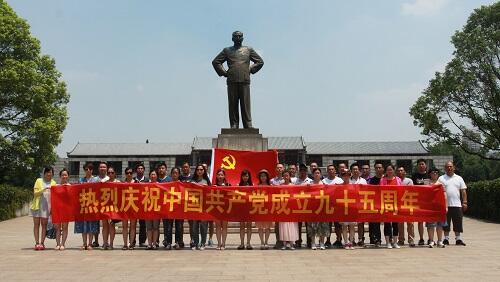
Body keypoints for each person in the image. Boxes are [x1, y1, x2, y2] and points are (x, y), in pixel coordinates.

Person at [212, 31, 264, 129]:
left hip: (244, 80)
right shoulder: (227, 50)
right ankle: (234, 124)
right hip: (232, 80)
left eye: (240, 36)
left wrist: (250, 69)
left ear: (243, 38)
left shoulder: (248, 50)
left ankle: (248, 124)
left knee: (245, 104)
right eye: (236, 36)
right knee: (233, 104)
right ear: (232, 38)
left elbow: (260, 61)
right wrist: (224, 72)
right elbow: (216, 62)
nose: (238, 38)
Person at [438, 161, 467, 246]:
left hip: (457, 204)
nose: (449, 168)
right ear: (445, 168)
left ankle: (458, 239)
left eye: (450, 166)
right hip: (445, 205)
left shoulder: (459, 178)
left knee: (458, 222)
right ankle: (446, 239)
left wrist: (464, 202)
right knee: (446, 223)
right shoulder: (441, 178)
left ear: (454, 167)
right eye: (447, 167)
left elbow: (463, 191)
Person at [74, 162, 99, 250]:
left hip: (92, 205)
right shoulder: (81, 180)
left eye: (89, 169)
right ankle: (84, 243)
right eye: (86, 169)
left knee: (91, 225)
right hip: (83, 206)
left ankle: (90, 244)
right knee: (83, 225)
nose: (87, 171)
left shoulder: (96, 180)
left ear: (92, 170)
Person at [31, 167, 56, 250]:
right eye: (47, 172)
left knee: (44, 225)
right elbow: (35, 193)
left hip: (46, 207)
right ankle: (37, 243)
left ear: (52, 174)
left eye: (51, 172)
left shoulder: (54, 183)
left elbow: (55, 197)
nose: (49, 174)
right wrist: (44, 189)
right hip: (37, 206)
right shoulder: (39, 181)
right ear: (44, 173)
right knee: (36, 225)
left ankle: (42, 243)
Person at [307, 168, 330, 250]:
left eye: (318, 173)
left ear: (320, 174)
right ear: (313, 175)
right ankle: (313, 243)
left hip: (322, 208)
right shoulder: (309, 184)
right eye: (315, 173)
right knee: (312, 226)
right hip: (312, 208)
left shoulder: (324, 184)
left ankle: (322, 243)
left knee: (322, 226)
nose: (317, 174)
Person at [380, 164, 401, 249]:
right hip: (386, 204)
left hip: (396, 204)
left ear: (393, 170)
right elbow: (380, 191)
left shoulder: (398, 179)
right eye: (388, 170)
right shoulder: (383, 180)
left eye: (391, 170)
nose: (389, 171)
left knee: (395, 224)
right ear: (386, 171)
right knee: (387, 224)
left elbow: (401, 191)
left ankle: (395, 242)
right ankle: (388, 242)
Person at [163, 167, 184, 250]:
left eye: (176, 173)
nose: (175, 174)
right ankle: (168, 242)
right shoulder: (167, 184)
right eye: (173, 173)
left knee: (179, 226)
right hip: (169, 208)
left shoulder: (182, 184)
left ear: (179, 174)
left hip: (179, 209)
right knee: (168, 227)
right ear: (171, 174)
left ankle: (178, 242)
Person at [190, 164, 211, 250]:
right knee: (194, 226)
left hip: (204, 207)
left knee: (203, 226)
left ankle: (203, 243)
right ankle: (195, 243)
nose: (199, 171)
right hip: (194, 206)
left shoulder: (207, 181)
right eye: (198, 169)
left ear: (204, 171)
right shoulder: (192, 181)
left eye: (201, 169)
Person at [322, 164, 343, 248]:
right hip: (327, 205)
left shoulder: (340, 180)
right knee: (328, 224)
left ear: (335, 171)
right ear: (327, 171)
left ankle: (339, 240)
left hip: (338, 206)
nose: (331, 171)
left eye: (332, 169)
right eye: (329, 169)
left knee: (338, 224)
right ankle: (328, 240)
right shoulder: (324, 181)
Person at [426, 167, 447, 248]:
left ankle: (440, 241)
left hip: (439, 207)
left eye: (436, 172)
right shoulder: (427, 183)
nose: (434, 174)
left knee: (440, 225)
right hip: (430, 207)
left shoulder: (441, 183)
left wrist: (446, 206)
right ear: (430, 174)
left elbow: (445, 195)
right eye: (432, 172)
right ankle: (431, 241)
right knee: (430, 225)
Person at [411, 159, 430, 246]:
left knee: (430, 221)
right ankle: (421, 238)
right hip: (418, 201)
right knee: (420, 221)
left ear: (425, 165)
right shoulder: (414, 176)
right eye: (419, 164)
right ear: (417, 166)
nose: (421, 166)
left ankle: (431, 238)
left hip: (428, 201)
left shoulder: (429, 175)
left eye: (422, 164)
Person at [294, 164, 313, 248]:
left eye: (304, 171)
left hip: (308, 206)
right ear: (299, 172)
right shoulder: (295, 181)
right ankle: (298, 240)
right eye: (301, 171)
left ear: (306, 172)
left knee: (308, 225)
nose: (302, 172)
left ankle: (309, 241)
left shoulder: (310, 181)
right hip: (298, 205)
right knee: (298, 225)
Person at [279, 170, 298, 250]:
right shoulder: (280, 186)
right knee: (283, 226)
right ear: (282, 176)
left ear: (290, 176)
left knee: (291, 226)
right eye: (284, 175)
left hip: (291, 209)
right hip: (283, 208)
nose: (286, 177)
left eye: (287, 175)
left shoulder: (293, 186)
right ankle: (284, 244)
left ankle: (291, 244)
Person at [102, 166, 121, 250]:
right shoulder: (104, 183)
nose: (110, 174)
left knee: (111, 225)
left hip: (115, 207)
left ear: (115, 173)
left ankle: (111, 244)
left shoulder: (119, 183)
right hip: (105, 206)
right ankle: (105, 243)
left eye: (112, 172)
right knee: (105, 225)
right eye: (109, 173)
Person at [349, 163, 367, 246]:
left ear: (359, 171)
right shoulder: (348, 180)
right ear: (351, 171)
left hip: (360, 204)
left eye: (357, 169)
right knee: (351, 223)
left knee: (360, 223)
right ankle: (351, 239)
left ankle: (360, 239)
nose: (355, 171)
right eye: (353, 169)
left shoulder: (363, 181)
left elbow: (367, 192)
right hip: (351, 205)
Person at [396, 166, 415, 246]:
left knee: (410, 223)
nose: (400, 172)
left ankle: (411, 240)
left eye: (402, 170)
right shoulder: (396, 180)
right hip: (398, 204)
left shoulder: (409, 181)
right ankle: (401, 240)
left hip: (408, 203)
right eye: (399, 171)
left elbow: (411, 191)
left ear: (405, 172)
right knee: (400, 223)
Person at [157, 162, 173, 249]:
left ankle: (168, 242)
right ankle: (156, 241)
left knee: (168, 225)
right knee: (157, 225)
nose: (161, 170)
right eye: (160, 168)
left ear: (166, 169)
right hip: (157, 206)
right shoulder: (156, 180)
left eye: (163, 168)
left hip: (167, 206)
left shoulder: (169, 180)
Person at [368, 161, 384, 247]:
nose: (378, 169)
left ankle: (390, 239)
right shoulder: (372, 180)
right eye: (376, 168)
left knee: (388, 222)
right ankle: (377, 239)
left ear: (383, 169)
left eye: (379, 167)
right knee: (375, 223)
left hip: (386, 203)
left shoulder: (385, 179)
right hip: (375, 204)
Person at [256, 169, 273, 250]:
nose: (263, 177)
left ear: (267, 177)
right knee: (260, 227)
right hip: (259, 208)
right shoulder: (257, 186)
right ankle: (262, 242)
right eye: (261, 176)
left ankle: (266, 242)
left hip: (268, 209)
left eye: (264, 176)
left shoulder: (271, 186)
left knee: (268, 227)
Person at [54, 168, 70, 250]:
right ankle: (57, 244)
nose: (64, 176)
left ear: (68, 176)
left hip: (66, 209)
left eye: (65, 175)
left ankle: (63, 244)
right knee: (57, 227)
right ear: (60, 176)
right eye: (62, 175)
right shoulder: (56, 186)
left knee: (65, 227)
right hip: (57, 209)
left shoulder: (70, 186)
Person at [133, 163, 148, 248]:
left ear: (144, 170)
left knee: (143, 224)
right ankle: (132, 241)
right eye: (138, 168)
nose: (140, 170)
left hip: (143, 205)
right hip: (134, 204)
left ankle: (142, 241)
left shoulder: (147, 180)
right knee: (133, 224)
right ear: (136, 170)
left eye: (142, 168)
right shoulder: (133, 180)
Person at [237, 169, 253, 250]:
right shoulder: (238, 185)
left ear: (249, 177)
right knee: (242, 226)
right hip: (241, 209)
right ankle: (242, 243)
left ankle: (249, 243)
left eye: (246, 176)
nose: (245, 177)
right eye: (243, 176)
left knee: (249, 226)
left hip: (250, 209)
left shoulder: (252, 186)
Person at [339, 168, 355, 250]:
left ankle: (351, 242)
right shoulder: (339, 186)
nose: (346, 176)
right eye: (344, 175)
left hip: (352, 209)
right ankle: (345, 242)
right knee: (344, 227)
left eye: (347, 174)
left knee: (352, 226)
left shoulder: (354, 186)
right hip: (343, 209)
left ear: (350, 175)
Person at [121, 167, 137, 250]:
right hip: (125, 207)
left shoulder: (136, 183)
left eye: (131, 173)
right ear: (125, 174)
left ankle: (131, 244)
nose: (129, 174)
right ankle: (125, 244)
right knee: (124, 226)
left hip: (134, 206)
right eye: (127, 173)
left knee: (133, 226)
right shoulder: (122, 183)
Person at [214, 169, 229, 250]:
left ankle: (223, 243)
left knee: (224, 226)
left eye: (222, 175)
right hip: (217, 208)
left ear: (224, 176)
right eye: (219, 175)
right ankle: (218, 243)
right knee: (218, 226)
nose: (220, 176)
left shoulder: (228, 185)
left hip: (226, 208)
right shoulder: (214, 185)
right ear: (216, 176)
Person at [270, 163, 285, 249]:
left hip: (286, 204)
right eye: (278, 168)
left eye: (281, 168)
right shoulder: (272, 181)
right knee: (277, 225)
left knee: (285, 224)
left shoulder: (287, 179)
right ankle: (278, 241)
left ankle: (286, 241)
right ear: (275, 170)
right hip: (276, 204)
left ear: (283, 169)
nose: (279, 169)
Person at [145, 169, 160, 250]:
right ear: (149, 176)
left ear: (157, 176)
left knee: (155, 227)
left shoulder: (161, 185)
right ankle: (149, 243)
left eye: (154, 174)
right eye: (152, 174)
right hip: (148, 209)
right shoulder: (146, 185)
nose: (153, 176)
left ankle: (154, 243)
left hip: (156, 209)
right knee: (149, 228)